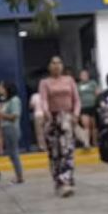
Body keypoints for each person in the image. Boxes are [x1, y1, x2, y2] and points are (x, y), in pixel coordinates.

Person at [39, 56, 80, 197]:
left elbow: (76, 100)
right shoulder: (45, 82)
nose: (56, 65)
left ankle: (66, 181)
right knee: (55, 153)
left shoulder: (69, 80)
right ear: (49, 67)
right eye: (53, 63)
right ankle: (58, 180)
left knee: (67, 150)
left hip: (67, 118)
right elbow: (43, 100)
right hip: (52, 119)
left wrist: (75, 114)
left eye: (59, 63)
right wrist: (45, 112)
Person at [0, 80, 25, 184]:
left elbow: (14, 116)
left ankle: (20, 176)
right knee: (11, 153)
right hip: (6, 128)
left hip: (11, 128)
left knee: (14, 152)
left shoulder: (14, 100)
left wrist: (0, 114)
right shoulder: (5, 101)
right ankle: (17, 175)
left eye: (1, 87)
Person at [77, 68, 100, 148]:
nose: (84, 76)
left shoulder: (93, 83)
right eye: (82, 75)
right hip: (83, 107)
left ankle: (95, 142)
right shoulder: (78, 85)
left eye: (85, 75)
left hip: (93, 106)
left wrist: (98, 104)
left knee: (94, 126)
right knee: (86, 126)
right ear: (80, 76)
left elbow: (97, 93)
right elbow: (76, 97)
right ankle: (87, 143)